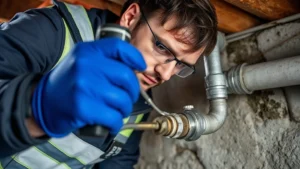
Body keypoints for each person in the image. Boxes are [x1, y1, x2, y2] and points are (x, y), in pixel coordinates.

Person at [0, 0, 217, 168]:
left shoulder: (140, 102)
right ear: (131, 17)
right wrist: (33, 108)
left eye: (181, 65)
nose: (166, 74)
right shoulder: (50, 31)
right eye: (162, 47)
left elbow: (118, 163)